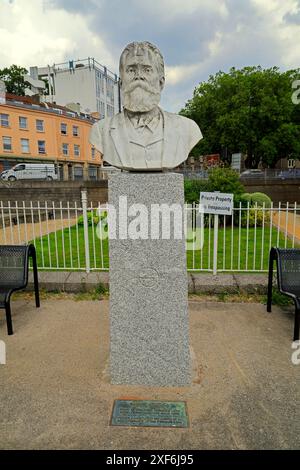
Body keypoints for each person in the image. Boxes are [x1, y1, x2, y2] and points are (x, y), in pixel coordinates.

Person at [89, 41, 202, 171]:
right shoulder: (101, 130)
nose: (139, 76)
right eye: (131, 70)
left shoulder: (186, 128)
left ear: (161, 82)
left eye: (147, 70)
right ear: (121, 83)